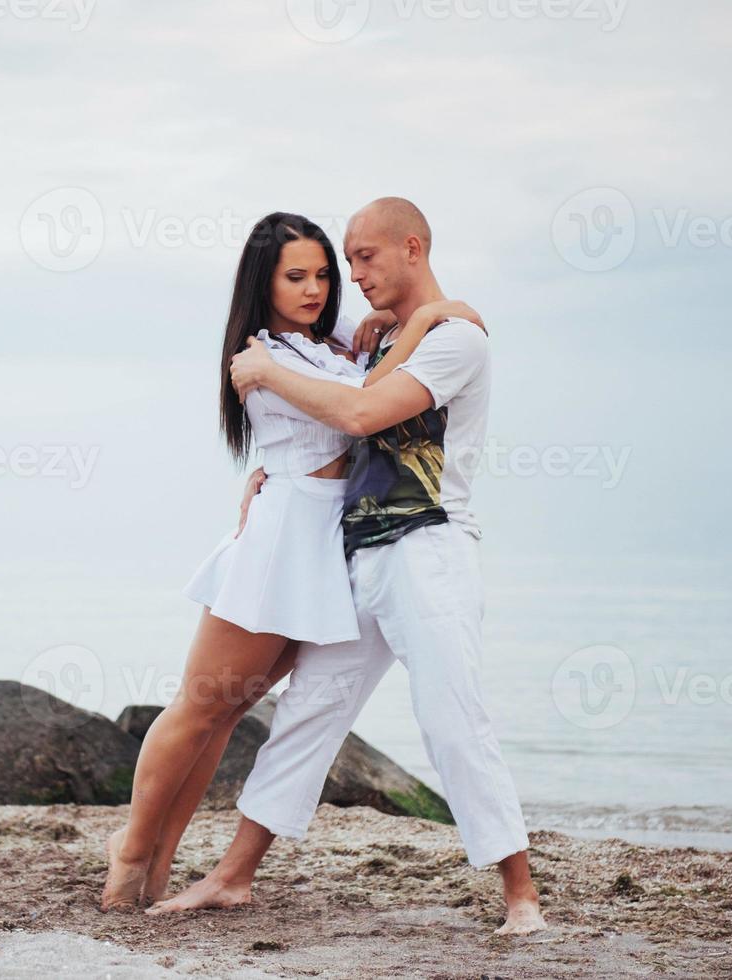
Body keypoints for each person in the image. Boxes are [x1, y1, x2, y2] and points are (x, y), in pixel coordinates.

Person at [147, 197, 547, 937]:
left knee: (451, 719)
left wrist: (266, 369)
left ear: (412, 249)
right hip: (357, 555)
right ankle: (232, 877)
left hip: (429, 548)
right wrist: (264, 469)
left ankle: (520, 894)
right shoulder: (374, 335)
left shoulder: (455, 340)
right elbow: (316, 397)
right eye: (345, 262)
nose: (349, 277)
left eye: (363, 258)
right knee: (306, 712)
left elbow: (363, 414)